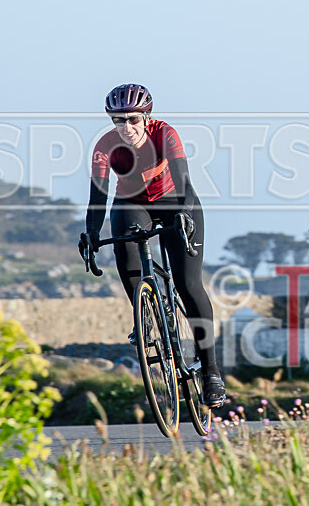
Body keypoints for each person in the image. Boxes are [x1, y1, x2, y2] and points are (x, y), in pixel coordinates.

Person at [78, 83, 225, 407]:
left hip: (175, 200)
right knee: (125, 251)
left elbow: (183, 179)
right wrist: (90, 232)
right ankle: (145, 315)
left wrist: (185, 214)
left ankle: (211, 372)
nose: (126, 127)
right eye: (118, 121)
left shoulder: (165, 134)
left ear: (147, 116)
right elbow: (98, 196)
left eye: (132, 119)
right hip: (132, 201)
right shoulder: (105, 146)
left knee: (188, 283)